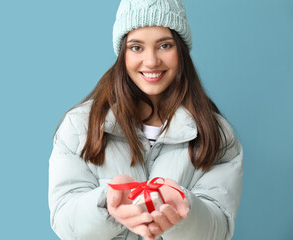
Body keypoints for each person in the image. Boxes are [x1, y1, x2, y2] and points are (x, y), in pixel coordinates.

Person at [48, 0, 243, 239]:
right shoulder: (79, 126)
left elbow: (219, 228)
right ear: (123, 53)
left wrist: (183, 212)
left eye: (164, 45)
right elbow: (64, 220)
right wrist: (106, 205)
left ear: (180, 50)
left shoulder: (215, 133)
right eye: (136, 47)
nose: (151, 61)